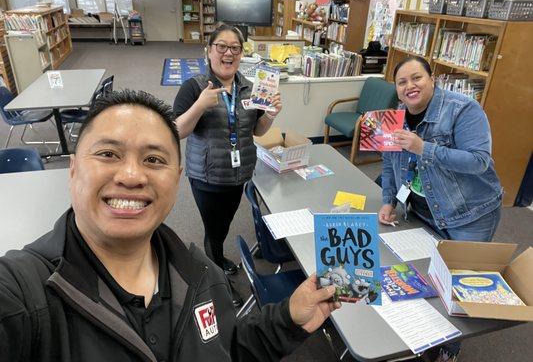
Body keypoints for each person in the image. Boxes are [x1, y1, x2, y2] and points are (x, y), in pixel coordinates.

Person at [0, 90, 341, 362]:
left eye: (154, 160)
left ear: (177, 180)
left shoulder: (202, 274)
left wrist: (288, 318)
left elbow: (230, 348)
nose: (132, 176)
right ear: (72, 169)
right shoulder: (22, 293)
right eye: (108, 154)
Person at [379, 56, 503, 362]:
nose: (411, 86)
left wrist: (424, 148)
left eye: (417, 78)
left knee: (457, 287)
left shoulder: (463, 109)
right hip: (424, 209)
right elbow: (389, 161)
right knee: (426, 277)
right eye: (402, 82)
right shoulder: (394, 116)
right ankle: (427, 335)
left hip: (469, 214)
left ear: (433, 79)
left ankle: (449, 348)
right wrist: (388, 199)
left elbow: (479, 161)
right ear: (396, 89)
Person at [173, 24, 281, 289]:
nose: (228, 53)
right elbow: (176, 131)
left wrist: (269, 115)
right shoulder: (194, 87)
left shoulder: (250, 87)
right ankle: (217, 282)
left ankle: (217, 260)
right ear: (209, 51)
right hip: (207, 176)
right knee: (214, 229)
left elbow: (256, 130)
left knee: (223, 224)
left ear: (241, 54)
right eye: (221, 46)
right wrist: (199, 105)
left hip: (239, 172)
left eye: (235, 48)